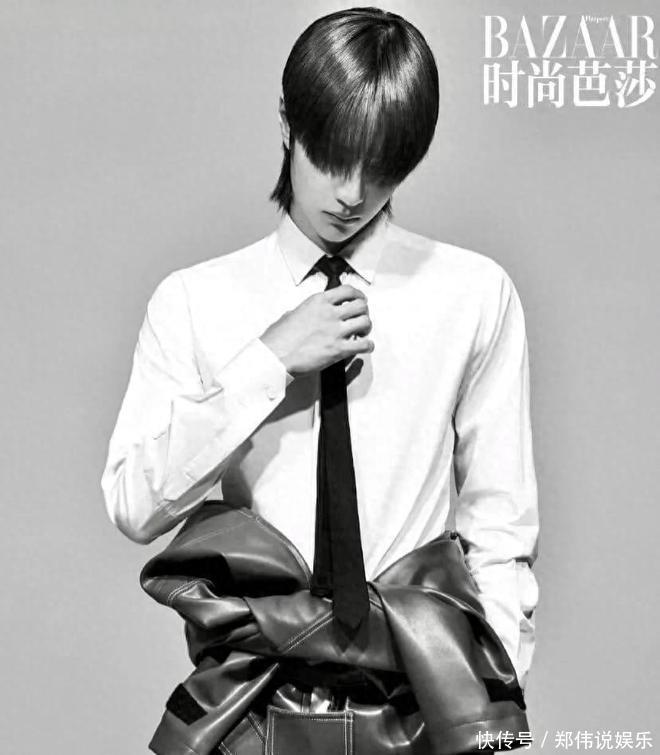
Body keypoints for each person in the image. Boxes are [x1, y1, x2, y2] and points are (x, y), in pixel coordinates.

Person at [101, 5, 540, 753]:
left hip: (423, 700)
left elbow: (500, 525)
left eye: (382, 167)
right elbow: (135, 505)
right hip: (250, 702)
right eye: (333, 158)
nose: (352, 193)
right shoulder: (196, 300)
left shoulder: (472, 293)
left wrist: (493, 703)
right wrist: (268, 360)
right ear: (287, 123)